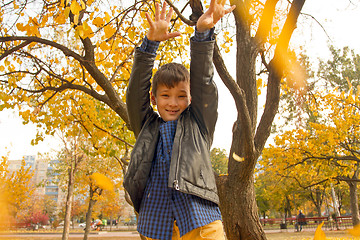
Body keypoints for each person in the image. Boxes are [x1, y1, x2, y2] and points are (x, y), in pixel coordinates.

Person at [123, 0, 235, 239]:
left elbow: (203, 82)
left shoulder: (198, 123)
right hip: (157, 223)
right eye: (166, 95)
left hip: (200, 221)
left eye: (181, 96)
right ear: (154, 98)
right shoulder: (147, 127)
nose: (173, 102)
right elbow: (134, 96)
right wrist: (149, 45)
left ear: (191, 98)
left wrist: (203, 34)